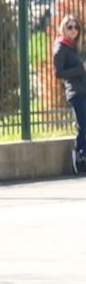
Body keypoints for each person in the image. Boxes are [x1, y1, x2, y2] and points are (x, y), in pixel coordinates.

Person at [52, 15, 86, 173]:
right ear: (64, 28)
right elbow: (59, 73)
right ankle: (79, 157)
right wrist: (81, 69)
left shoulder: (74, 47)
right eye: (70, 27)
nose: (74, 30)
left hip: (83, 90)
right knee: (83, 126)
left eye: (76, 27)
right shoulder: (60, 47)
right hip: (75, 93)